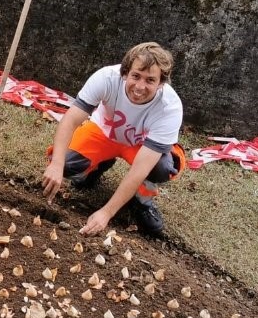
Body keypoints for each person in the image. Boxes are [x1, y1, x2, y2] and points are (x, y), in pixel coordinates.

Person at [41, 42, 186, 236]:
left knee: (162, 168)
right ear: (125, 73)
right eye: (136, 76)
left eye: (150, 80)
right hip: (104, 133)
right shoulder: (106, 78)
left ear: (161, 83)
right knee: (65, 162)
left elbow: (141, 168)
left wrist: (107, 212)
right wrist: (57, 165)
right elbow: (70, 120)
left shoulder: (170, 107)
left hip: (140, 146)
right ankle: (97, 167)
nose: (140, 86)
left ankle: (142, 200)